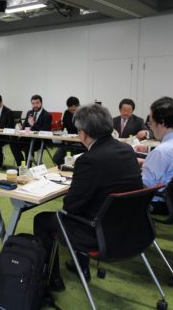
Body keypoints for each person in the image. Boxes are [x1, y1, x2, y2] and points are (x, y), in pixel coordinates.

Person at [34, 103, 143, 291]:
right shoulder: (127, 150)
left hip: (99, 233)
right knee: (88, 207)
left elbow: (70, 207)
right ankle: (80, 266)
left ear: (83, 133)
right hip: (130, 226)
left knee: (43, 220)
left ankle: (53, 279)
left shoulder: (88, 160)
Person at [136, 97, 173, 215]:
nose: (150, 127)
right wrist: (145, 162)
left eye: (151, 122)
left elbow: (144, 186)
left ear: (162, 123)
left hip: (157, 202)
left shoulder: (161, 152)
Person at [10, 95, 52, 166]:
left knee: (28, 147)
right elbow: (25, 126)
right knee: (13, 144)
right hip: (27, 138)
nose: (35, 105)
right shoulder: (30, 112)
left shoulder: (47, 115)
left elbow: (45, 131)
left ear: (41, 103)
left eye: (37, 103)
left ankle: (28, 166)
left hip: (39, 141)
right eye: (33, 103)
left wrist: (33, 124)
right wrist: (20, 127)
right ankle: (21, 166)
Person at [52, 96, 85, 166]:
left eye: (73, 110)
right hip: (67, 141)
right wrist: (62, 135)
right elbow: (64, 127)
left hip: (80, 143)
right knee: (57, 158)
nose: (72, 112)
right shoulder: (67, 112)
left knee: (72, 160)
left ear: (78, 105)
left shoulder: (84, 113)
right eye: (70, 110)